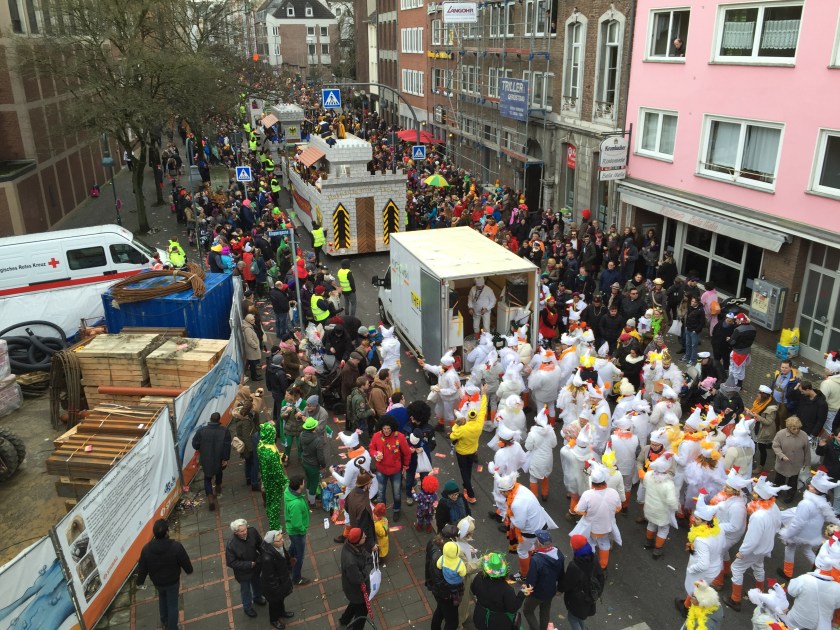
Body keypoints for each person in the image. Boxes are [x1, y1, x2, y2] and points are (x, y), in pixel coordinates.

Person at [724, 476, 787, 611]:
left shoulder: (758, 516)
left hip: (754, 549)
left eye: (755, 494)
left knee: (736, 568)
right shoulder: (773, 506)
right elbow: (777, 525)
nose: (752, 495)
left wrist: (742, 552)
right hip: (765, 547)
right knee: (758, 566)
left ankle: (735, 599)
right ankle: (760, 595)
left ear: (760, 497)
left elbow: (752, 539)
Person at [777, 468, 840, 580]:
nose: (809, 485)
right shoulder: (823, 501)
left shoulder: (806, 503)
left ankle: (788, 573)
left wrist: (788, 534)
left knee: (790, 548)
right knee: (807, 550)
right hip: (813, 533)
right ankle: (823, 571)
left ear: (816, 490)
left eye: (811, 485)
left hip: (801, 533)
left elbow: (798, 523)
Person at [136, 519, 193, 630]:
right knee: (172, 605)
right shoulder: (176, 547)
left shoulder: (146, 549)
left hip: (158, 582)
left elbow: (142, 568)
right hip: (172, 582)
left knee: (162, 599)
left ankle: (165, 622)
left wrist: (139, 582)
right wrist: (189, 570)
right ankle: (172, 628)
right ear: (166, 532)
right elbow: (186, 563)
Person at [678, 492, 725, 616]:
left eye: (697, 519)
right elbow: (722, 546)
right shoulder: (718, 530)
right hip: (714, 567)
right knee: (698, 591)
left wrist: (691, 569)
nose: (694, 520)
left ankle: (687, 610)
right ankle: (686, 605)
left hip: (703, 572)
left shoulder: (701, 540)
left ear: (706, 522)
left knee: (695, 590)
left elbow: (703, 565)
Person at [570, 463, 622, 571]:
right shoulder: (614, 493)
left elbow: (579, 510)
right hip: (607, 527)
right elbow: (618, 508)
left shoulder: (587, 494)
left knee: (590, 543)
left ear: (592, 483)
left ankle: (591, 565)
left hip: (591, 528)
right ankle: (603, 567)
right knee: (604, 544)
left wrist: (583, 512)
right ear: (605, 482)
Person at [786, 538, 840, 630]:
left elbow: (791, 591)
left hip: (796, 619)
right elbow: (837, 605)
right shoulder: (837, 588)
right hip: (820, 625)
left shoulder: (804, 579)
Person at [369, 414, 412, 522]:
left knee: (397, 493)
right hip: (381, 470)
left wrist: (406, 465)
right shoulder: (376, 436)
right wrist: (375, 454)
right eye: (384, 428)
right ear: (381, 428)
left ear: (392, 428)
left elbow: (407, 453)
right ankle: (381, 512)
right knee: (381, 493)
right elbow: (371, 448)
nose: (387, 431)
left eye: (389, 429)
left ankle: (397, 510)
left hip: (395, 471)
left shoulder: (400, 437)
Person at [471, 553, 529, 630]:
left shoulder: (478, 577)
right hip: (498, 623)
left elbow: (473, 590)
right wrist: (522, 592)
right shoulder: (507, 589)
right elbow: (512, 608)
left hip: (480, 618)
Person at [449, 385, 487, 504]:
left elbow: (452, 436)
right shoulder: (479, 424)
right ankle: (466, 486)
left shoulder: (462, 428)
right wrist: (484, 394)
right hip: (472, 451)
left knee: (464, 472)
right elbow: (483, 409)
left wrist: (457, 424)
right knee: (468, 470)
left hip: (461, 453)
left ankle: (470, 494)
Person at [522, 530, 564, 630]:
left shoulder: (536, 559)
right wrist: (560, 589)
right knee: (545, 611)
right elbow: (561, 573)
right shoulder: (558, 553)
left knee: (527, 611)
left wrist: (527, 590)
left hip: (537, 593)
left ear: (539, 543)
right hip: (550, 590)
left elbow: (531, 580)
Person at [191, 411, 232, 511]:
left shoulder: (201, 431)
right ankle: (218, 487)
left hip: (206, 458)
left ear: (210, 419)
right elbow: (227, 446)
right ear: (219, 420)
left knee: (207, 478)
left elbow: (195, 443)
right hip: (219, 458)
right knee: (219, 472)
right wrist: (225, 458)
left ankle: (210, 499)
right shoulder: (224, 431)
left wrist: (200, 448)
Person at [562, 535, 604, 630]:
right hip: (590, 595)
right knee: (579, 616)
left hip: (578, 599)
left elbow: (567, 583)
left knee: (572, 618)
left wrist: (559, 589)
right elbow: (601, 576)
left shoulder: (574, 566)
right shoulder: (594, 558)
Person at [226, 518, 266, 618]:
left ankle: (257, 597)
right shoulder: (231, 544)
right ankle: (247, 607)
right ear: (236, 532)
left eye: (245, 529)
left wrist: (262, 556)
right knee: (245, 589)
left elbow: (260, 545)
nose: (245, 532)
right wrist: (248, 564)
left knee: (257, 582)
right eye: (242, 531)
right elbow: (231, 562)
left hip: (256, 566)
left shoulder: (252, 531)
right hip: (243, 572)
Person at [260, 529, 295, 629]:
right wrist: (277, 590)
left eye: (282, 539)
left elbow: (285, 556)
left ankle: (282, 612)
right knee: (274, 603)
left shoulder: (278, 546)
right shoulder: (267, 558)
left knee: (281, 600)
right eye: (279, 540)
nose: (282, 541)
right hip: (274, 587)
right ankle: (274, 620)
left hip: (281, 581)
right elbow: (269, 578)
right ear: (272, 543)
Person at [339, 528, 374, 629]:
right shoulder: (351, 562)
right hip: (358, 591)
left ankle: (344, 620)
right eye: (363, 536)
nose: (365, 537)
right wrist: (368, 566)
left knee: (354, 604)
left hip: (354, 591)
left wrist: (368, 558)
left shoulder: (350, 545)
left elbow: (363, 553)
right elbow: (358, 579)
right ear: (358, 541)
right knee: (362, 614)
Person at [420, 351, 464, 429]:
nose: (440, 365)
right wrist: (425, 365)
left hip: (450, 399)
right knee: (440, 409)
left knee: (449, 415)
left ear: (446, 365)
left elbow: (453, 389)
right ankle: (441, 424)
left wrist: (440, 391)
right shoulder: (444, 369)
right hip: (443, 396)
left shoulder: (451, 376)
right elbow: (436, 369)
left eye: (442, 364)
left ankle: (455, 431)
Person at [257, 422, 289, 531]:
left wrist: (279, 456)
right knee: (275, 505)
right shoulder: (270, 453)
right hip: (273, 483)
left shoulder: (261, 444)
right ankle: (275, 527)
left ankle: (271, 519)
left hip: (266, 479)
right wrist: (285, 482)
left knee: (270, 502)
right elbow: (277, 472)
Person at [772, 416, 810, 503]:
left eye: (798, 428)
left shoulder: (804, 435)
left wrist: (807, 463)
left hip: (796, 463)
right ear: (788, 428)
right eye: (794, 429)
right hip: (782, 463)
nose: (796, 430)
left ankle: (790, 495)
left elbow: (807, 450)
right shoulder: (780, 434)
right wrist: (781, 455)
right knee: (779, 479)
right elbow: (775, 446)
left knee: (793, 482)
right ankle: (776, 492)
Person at [283, 474, 311, 586]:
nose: (304, 483)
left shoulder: (288, 491)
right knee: (299, 556)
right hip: (297, 533)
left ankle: (287, 565)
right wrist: (303, 530)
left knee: (293, 548)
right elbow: (296, 524)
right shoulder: (296, 504)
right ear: (300, 486)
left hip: (291, 530)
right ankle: (296, 578)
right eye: (303, 482)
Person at [748, 384, 779, 474]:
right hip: (756, 427)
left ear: (764, 395)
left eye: (760, 393)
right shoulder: (758, 402)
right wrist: (750, 413)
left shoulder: (771, 408)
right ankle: (751, 462)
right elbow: (754, 411)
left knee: (762, 449)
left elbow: (768, 422)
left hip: (763, 431)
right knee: (753, 445)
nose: (757, 394)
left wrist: (756, 416)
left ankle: (761, 466)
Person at [299, 417, 326, 506]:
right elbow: (320, 457)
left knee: (308, 480)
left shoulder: (301, 435)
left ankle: (309, 498)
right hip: (313, 465)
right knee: (314, 483)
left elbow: (300, 448)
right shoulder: (317, 440)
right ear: (313, 428)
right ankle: (312, 502)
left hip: (305, 462)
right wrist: (323, 465)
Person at [770, 359, 800, 424]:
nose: (783, 369)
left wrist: (788, 406)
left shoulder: (794, 380)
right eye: (782, 367)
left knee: (782, 421)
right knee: (774, 419)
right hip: (774, 401)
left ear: (790, 368)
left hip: (784, 405)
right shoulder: (778, 374)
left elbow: (795, 396)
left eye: (786, 368)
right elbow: (773, 384)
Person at [243, 313, 263, 381]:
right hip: (252, 349)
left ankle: (255, 375)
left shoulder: (249, 326)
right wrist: (256, 346)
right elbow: (249, 340)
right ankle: (254, 377)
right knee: (253, 365)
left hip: (252, 349)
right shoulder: (248, 329)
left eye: (253, 319)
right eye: (252, 320)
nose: (254, 321)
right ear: (248, 321)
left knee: (253, 364)